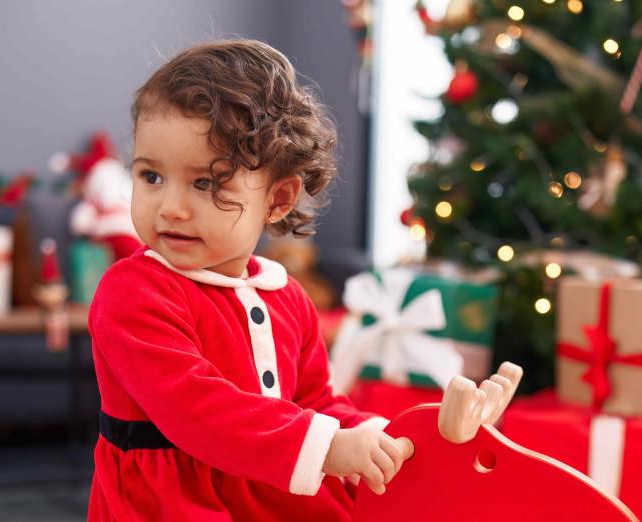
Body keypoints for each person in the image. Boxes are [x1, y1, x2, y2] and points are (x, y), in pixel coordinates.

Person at [87, 39, 412, 521]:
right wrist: (326, 448)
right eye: (151, 176)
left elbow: (314, 402)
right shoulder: (133, 292)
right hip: (174, 503)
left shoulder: (288, 298)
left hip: (274, 492)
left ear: (278, 200)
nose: (170, 207)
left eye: (205, 183)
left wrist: (371, 438)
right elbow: (197, 410)